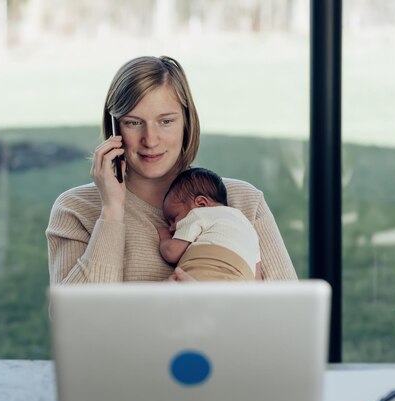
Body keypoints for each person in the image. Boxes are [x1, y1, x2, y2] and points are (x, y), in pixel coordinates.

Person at [46, 55, 297, 284]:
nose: (150, 140)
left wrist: (216, 311)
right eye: (133, 122)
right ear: (114, 129)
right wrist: (111, 211)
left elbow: (291, 319)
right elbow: (78, 324)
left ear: (186, 123)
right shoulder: (75, 209)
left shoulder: (244, 201)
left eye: (166, 121)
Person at [159, 167, 262, 281]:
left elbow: (172, 253)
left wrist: (164, 238)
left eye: (174, 218)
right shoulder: (249, 229)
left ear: (201, 203)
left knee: (166, 290)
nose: (171, 228)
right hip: (240, 285)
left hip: (207, 273)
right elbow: (258, 280)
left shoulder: (199, 214)